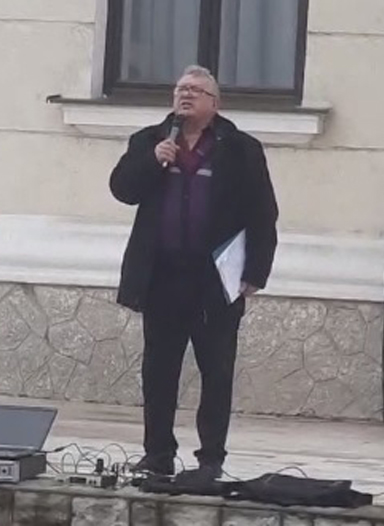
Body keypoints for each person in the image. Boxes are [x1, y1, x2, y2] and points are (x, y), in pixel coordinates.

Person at [109, 65, 278, 481]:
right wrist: (153, 161)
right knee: (158, 371)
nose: (185, 95)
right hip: (162, 277)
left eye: (196, 91)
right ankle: (158, 454)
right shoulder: (150, 140)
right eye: (180, 89)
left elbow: (263, 213)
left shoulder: (240, 149)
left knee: (216, 371)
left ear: (215, 103)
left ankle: (211, 458)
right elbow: (122, 189)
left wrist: (256, 271)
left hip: (215, 279)